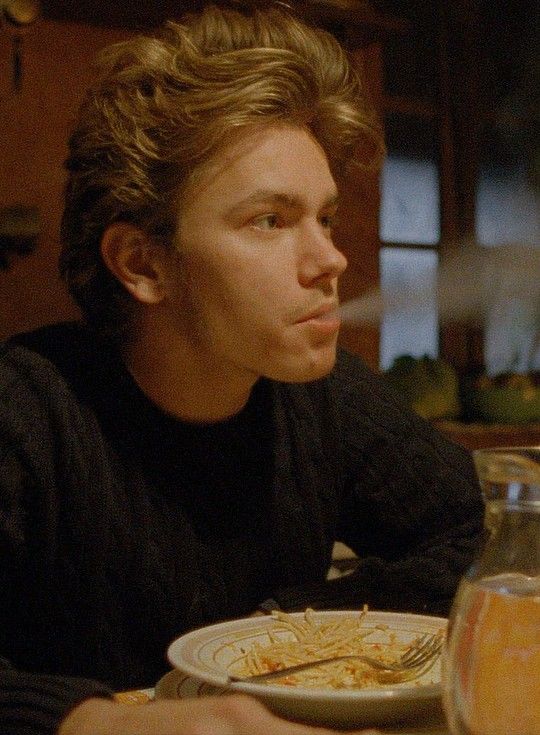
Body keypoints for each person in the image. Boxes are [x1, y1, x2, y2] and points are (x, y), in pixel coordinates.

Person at [0, 3, 484, 734]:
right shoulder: (27, 412)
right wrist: (102, 723)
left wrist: (286, 623)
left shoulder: (323, 397)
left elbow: (482, 540)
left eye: (323, 217)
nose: (331, 258)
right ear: (144, 263)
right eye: (271, 220)